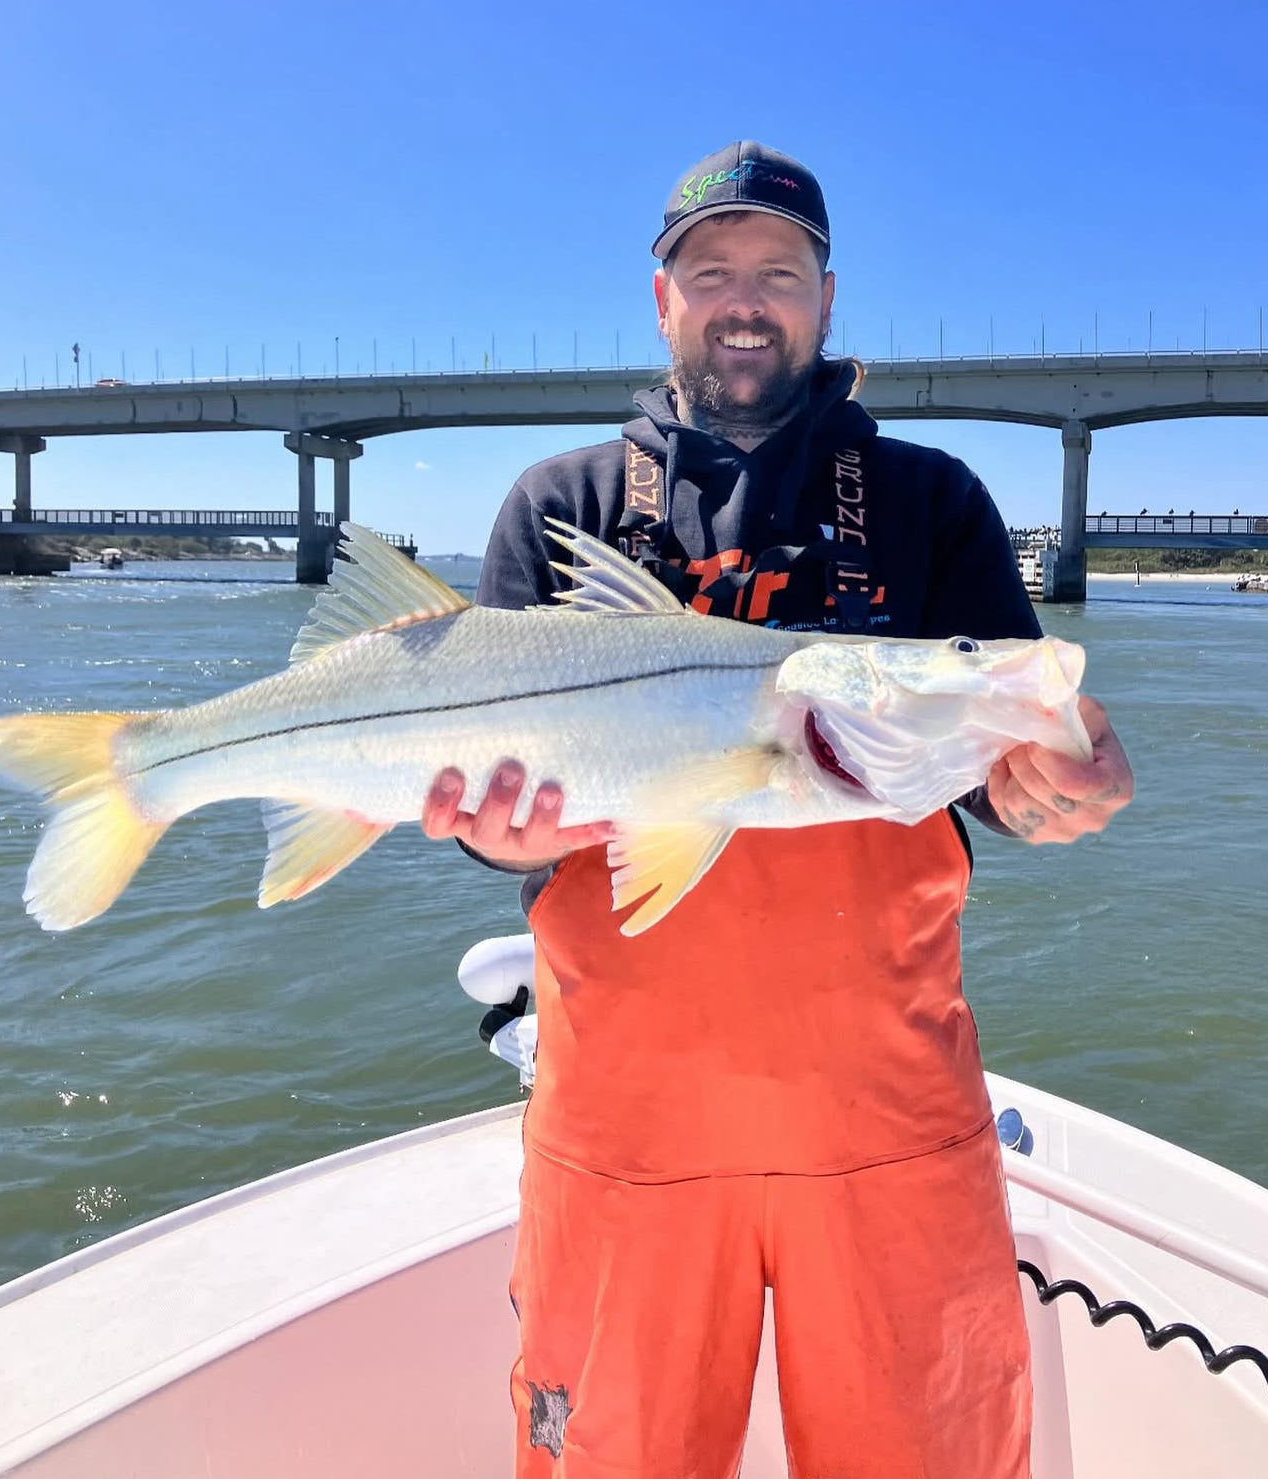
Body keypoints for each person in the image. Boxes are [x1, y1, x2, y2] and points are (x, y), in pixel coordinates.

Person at [422, 141, 1133, 1478]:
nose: (747, 301)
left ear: (825, 297)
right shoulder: (556, 508)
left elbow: (1006, 765)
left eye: (780, 274)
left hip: (891, 1124)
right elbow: (484, 796)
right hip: (623, 1132)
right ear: (663, 300)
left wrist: (1059, 786)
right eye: (714, 273)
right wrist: (485, 834)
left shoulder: (935, 502)